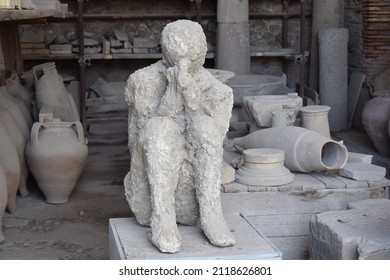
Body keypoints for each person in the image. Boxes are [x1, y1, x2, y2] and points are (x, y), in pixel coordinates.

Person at [124, 19, 235, 253]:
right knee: (160, 128)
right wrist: (173, 93)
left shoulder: (219, 91)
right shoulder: (142, 81)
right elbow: (141, 139)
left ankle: (211, 214)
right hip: (153, 172)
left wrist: (189, 91)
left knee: (205, 126)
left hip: (190, 181)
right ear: (165, 54)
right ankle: (163, 219)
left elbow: (216, 138)